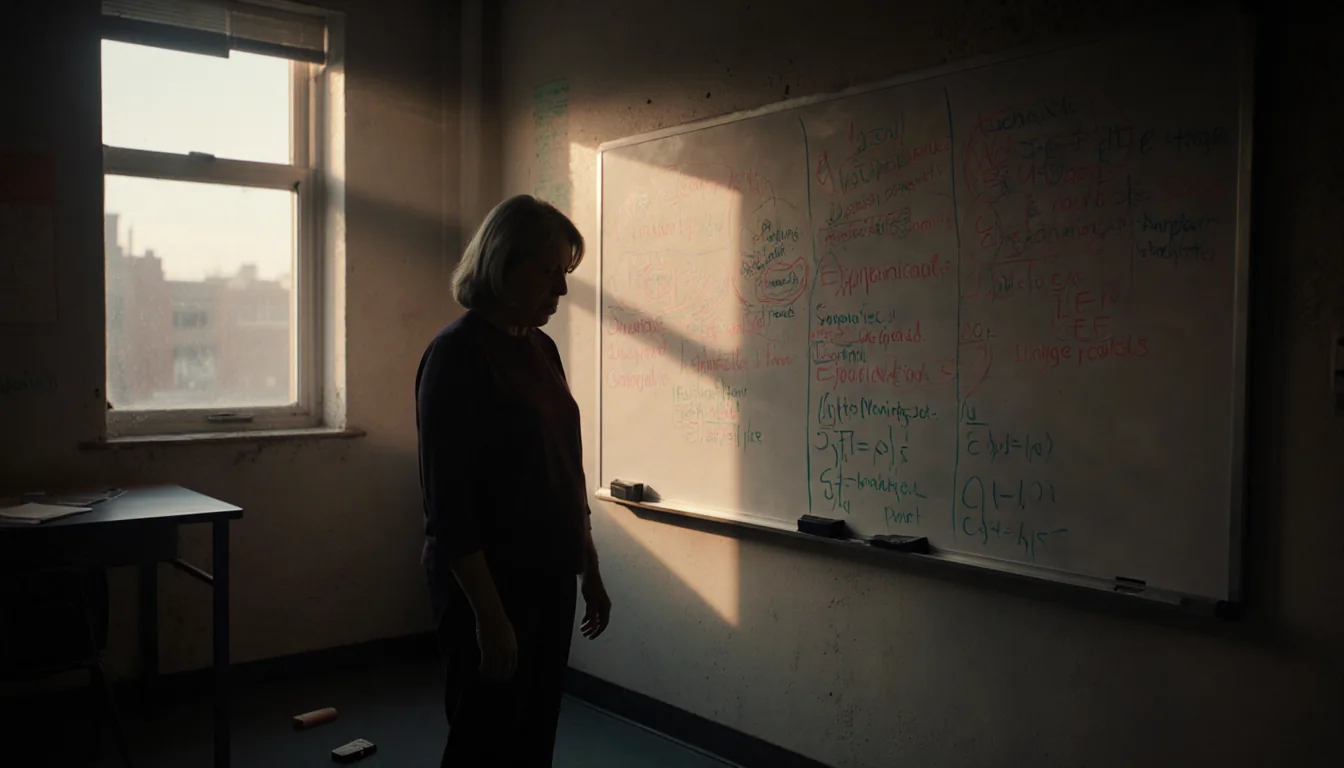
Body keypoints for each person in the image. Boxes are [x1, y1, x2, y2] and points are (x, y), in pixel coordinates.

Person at [415, 195, 612, 766]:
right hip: (488, 586)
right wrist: (492, 618)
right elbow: (449, 509)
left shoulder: (542, 348)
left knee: (534, 733)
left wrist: (589, 569)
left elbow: (564, 471)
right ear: (504, 266)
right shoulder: (456, 355)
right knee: (484, 736)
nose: (562, 290)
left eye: (564, 273)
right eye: (549, 271)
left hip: (549, 574)